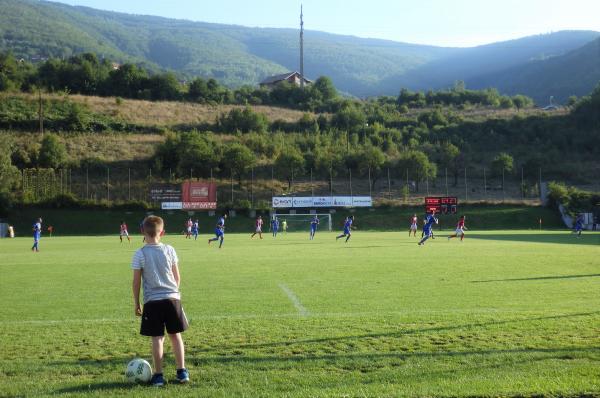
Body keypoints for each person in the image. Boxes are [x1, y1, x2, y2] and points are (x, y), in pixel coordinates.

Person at [132, 216, 189, 387]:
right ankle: (182, 372)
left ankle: (158, 376)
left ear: (142, 231)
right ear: (162, 232)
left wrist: (136, 303)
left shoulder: (139, 253)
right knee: (175, 336)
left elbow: (136, 282)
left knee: (157, 338)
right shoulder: (170, 250)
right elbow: (177, 277)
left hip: (152, 302)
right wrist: (173, 292)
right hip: (172, 299)